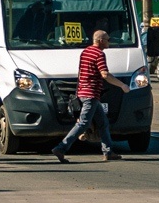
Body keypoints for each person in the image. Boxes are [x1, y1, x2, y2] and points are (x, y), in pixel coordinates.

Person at [52, 29, 127, 163]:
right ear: (100, 41)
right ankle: (61, 148)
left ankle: (108, 151)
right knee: (83, 123)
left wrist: (78, 91)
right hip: (90, 94)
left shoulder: (85, 52)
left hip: (84, 92)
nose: (109, 42)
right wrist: (122, 85)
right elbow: (105, 74)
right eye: (107, 39)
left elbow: (80, 72)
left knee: (103, 123)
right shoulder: (99, 54)